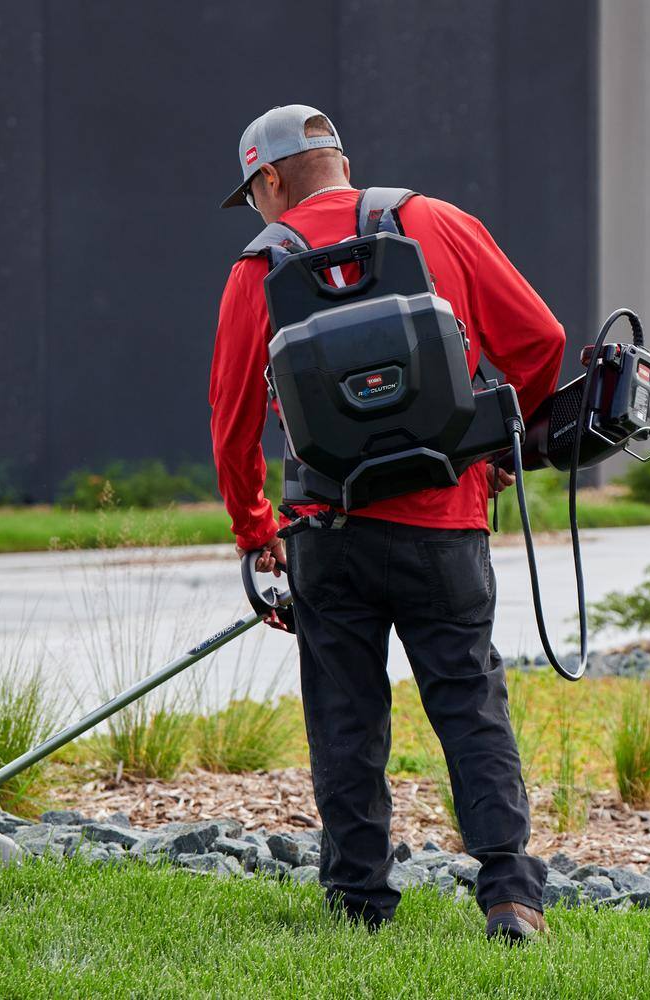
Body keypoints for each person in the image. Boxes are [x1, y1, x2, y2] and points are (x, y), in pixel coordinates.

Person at [209, 105, 566, 942]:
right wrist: (507, 444)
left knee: (345, 714)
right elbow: (542, 339)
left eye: (253, 190)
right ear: (337, 160)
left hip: (326, 531)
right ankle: (511, 894)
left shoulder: (256, 266)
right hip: (447, 519)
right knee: (469, 700)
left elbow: (231, 424)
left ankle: (359, 902)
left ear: (269, 179)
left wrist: (256, 531)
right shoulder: (436, 220)